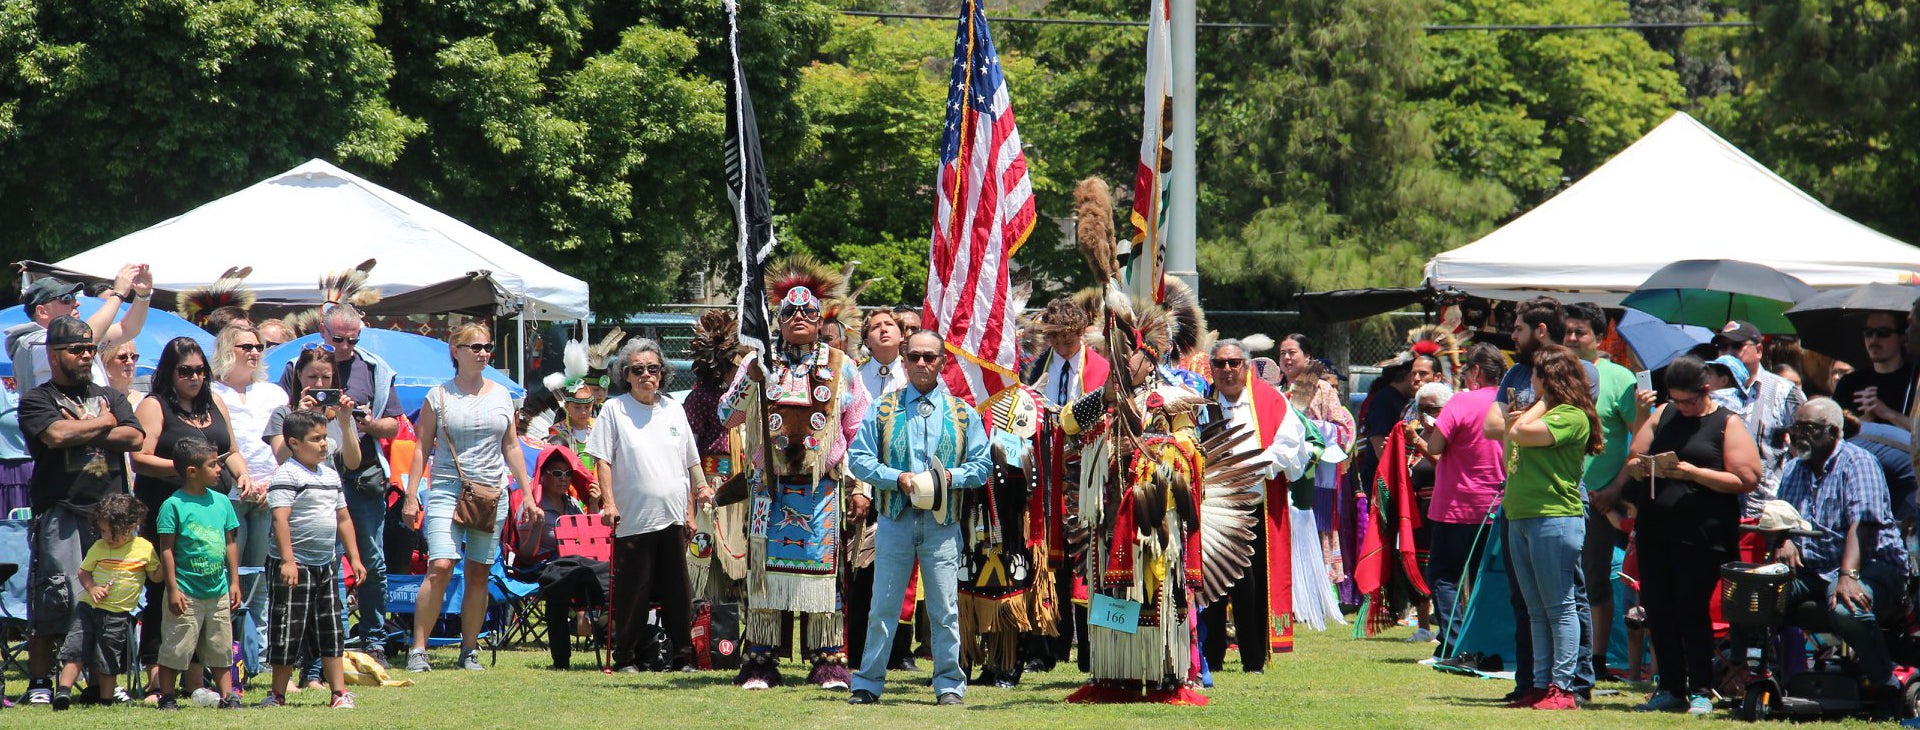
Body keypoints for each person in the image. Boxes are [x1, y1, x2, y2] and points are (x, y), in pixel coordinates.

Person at [717, 257, 871, 690]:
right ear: (778, 321)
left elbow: (859, 433)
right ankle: (760, 663)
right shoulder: (760, 364)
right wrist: (749, 377)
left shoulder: (842, 366)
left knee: (824, 579)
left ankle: (829, 663)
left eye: (808, 312)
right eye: (790, 312)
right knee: (765, 576)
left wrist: (861, 488)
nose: (800, 318)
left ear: (821, 319)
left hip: (822, 490)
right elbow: (726, 415)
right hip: (770, 490)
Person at [1593, 355, 1760, 714]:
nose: (1681, 407)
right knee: (1657, 608)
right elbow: (1635, 454)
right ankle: (1670, 687)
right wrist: (1640, 466)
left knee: (1690, 607)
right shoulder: (1664, 414)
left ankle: (1700, 686)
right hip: (1657, 529)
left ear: (1705, 390)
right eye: (1676, 399)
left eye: (1688, 401)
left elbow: (1747, 478)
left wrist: (1691, 473)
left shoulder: (1725, 423)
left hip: (1702, 533)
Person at [846, 330, 995, 705]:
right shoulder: (883, 408)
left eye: (930, 357)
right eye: (914, 357)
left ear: (943, 361)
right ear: (904, 360)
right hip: (895, 519)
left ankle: (948, 685)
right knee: (883, 606)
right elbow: (859, 458)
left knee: (944, 609)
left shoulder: (962, 413)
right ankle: (867, 684)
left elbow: (981, 465)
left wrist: (950, 477)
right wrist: (896, 478)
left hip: (942, 526)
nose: (922, 364)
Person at [18, 316, 145, 706]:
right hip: (62, 509)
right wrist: (106, 421)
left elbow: (134, 436)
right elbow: (55, 435)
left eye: (90, 348)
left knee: (111, 601)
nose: (86, 355)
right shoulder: (38, 399)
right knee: (59, 594)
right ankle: (41, 680)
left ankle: (102, 682)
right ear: (54, 355)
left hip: (112, 515)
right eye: (77, 349)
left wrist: (90, 425)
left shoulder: (110, 394)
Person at [1483, 296, 1600, 704]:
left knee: (1561, 606)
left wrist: (1543, 401)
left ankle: (1564, 685)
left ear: (1551, 380)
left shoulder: (1570, 415)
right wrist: (1532, 407)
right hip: (1521, 514)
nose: (1527, 382)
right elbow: (1498, 433)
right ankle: (1538, 681)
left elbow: (1515, 432)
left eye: (1535, 377)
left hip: (1556, 517)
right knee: (1535, 609)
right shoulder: (1542, 409)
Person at [401, 322, 533, 672]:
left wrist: (529, 495)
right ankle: (418, 649)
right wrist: (411, 495)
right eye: (475, 347)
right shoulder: (438, 395)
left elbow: (512, 446)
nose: (483, 353)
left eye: (487, 347)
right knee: (441, 565)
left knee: (478, 573)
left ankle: (468, 650)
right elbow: (420, 448)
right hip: (446, 489)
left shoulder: (502, 394)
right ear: (455, 351)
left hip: (491, 493)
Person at [130, 336, 251, 697]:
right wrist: (188, 469)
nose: (194, 377)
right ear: (170, 372)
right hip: (167, 509)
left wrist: (243, 474)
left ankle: (196, 680)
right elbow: (140, 456)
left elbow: (230, 450)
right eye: (186, 371)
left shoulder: (214, 402)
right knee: (165, 591)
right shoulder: (155, 405)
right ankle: (156, 675)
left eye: (200, 370)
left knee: (206, 591)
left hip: (210, 512)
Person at [1775, 397, 1910, 705]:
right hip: (1815, 569)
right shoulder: (1795, 467)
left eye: (1809, 429)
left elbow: (1862, 525)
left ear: (1833, 432)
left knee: (1846, 606)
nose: (1799, 436)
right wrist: (1783, 540)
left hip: (1874, 566)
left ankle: (1884, 681)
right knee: (1756, 594)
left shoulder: (1858, 462)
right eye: (1796, 428)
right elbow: (1782, 517)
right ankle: (1760, 678)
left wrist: (1848, 576)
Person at [586, 338, 709, 672]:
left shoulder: (674, 409)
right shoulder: (615, 409)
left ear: (661, 373)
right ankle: (625, 656)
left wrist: (696, 499)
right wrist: (609, 504)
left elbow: (690, 461)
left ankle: (683, 656)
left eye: (652, 369)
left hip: (672, 519)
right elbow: (602, 461)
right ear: (626, 374)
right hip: (633, 519)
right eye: (637, 370)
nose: (645, 375)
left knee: (678, 593)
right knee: (632, 593)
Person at [1198, 338, 1312, 674]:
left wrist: (1252, 465)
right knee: (1211, 587)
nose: (1227, 370)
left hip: (1255, 509)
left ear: (1246, 365)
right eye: (1220, 364)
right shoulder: (1200, 403)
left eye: (1234, 362)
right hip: (1213, 512)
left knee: (1251, 588)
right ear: (1212, 368)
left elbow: (1291, 445)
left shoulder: (1269, 400)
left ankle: (1253, 658)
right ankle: (1210, 656)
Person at [1562, 302, 1651, 681]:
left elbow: (1640, 440)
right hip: (1557, 495)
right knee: (1560, 583)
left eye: (1580, 332)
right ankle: (1564, 658)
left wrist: (1613, 491)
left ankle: (1595, 659)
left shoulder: (1620, 379)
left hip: (1598, 501)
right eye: (1567, 330)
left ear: (1599, 338)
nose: (1571, 338)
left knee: (1593, 580)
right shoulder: (1554, 373)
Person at [1408, 343, 1506, 658]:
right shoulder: (1509, 402)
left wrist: (1421, 435)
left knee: (1444, 576)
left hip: (1457, 506)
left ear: (1476, 371)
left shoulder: (1461, 402)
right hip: (1497, 505)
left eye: (1466, 371)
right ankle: (1483, 641)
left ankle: (1453, 643)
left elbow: (1435, 448)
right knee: (1483, 578)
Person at [262, 409, 365, 709]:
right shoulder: (287, 474)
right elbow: (281, 520)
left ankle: (338, 693)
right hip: (294, 565)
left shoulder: (331, 475)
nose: (324, 444)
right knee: (287, 628)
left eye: (324, 438)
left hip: (326, 563)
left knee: (331, 628)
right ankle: (277, 694)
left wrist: (355, 559)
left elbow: (343, 518)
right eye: (315, 439)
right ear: (294, 443)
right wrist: (288, 560)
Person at [318, 304, 404, 657]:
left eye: (352, 340)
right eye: (338, 339)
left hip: (363, 472)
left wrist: (368, 423)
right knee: (327, 556)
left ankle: (374, 638)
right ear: (323, 333)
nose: (344, 347)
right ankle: (333, 638)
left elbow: (395, 424)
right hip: (318, 471)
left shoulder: (373, 368)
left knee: (371, 557)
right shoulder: (305, 365)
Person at [209, 323, 288, 670]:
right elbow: (220, 445)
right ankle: (228, 651)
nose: (255, 352)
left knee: (260, 578)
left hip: (269, 492)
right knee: (231, 575)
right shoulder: (213, 392)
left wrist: (273, 484)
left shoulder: (274, 394)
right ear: (228, 350)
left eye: (258, 346)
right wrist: (243, 480)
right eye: (246, 347)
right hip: (230, 491)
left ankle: (260, 654)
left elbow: (284, 444)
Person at [152, 437, 242, 711]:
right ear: (192, 471)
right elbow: (166, 550)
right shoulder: (173, 505)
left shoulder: (221, 502)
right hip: (186, 590)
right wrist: (173, 589)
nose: (219, 470)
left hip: (217, 590)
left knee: (220, 646)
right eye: (213, 465)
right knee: (176, 647)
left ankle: (229, 696)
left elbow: (230, 542)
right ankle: (167, 696)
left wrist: (234, 581)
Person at [50, 493, 156, 710]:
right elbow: (84, 572)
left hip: (117, 613)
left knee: (108, 656)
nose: (106, 536)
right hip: (88, 607)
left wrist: (161, 569)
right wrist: (92, 588)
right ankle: (63, 692)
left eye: (111, 532)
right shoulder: (100, 546)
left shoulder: (144, 548)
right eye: (103, 531)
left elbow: (155, 576)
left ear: (131, 525)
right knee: (75, 650)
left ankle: (106, 699)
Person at [7, 266, 154, 393]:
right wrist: (118, 294)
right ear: (42, 311)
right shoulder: (32, 342)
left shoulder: (80, 336)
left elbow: (126, 329)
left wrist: (143, 295)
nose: (76, 303)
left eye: (74, 296)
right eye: (66, 299)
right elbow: (83, 339)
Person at [1714, 320, 1806, 512]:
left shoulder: (1784, 391)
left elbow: (1807, 448)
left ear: (1758, 350)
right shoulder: (1711, 392)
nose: (1729, 351)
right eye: (1723, 346)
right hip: (1719, 506)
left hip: (1766, 509)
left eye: (1737, 346)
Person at [1021, 297, 1107, 409]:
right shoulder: (1033, 370)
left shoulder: (1103, 369)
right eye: (1055, 343)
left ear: (1081, 332)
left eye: (1068, 343)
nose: (1062, 350)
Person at [1833, 311, 1915, 430]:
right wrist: (1865, 420)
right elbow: (1835, 433)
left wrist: (1888, 414)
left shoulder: (1915, 380)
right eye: (1868, 332)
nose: (1874, 340)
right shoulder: (1849, 382)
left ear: (1902, 337)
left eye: (1883, 333)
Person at [857, 309, 908, 400]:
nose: (883, 329)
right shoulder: (856, 375)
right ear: (867, 342)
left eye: (889, 324)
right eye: (876, 327)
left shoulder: (911, 373)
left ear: (901, 336)